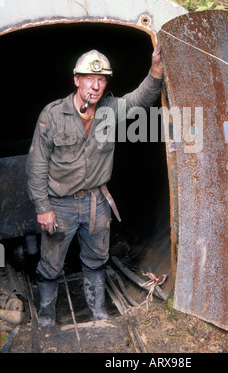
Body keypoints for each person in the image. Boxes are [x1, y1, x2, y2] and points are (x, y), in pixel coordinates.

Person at [26, 44, 162, 327]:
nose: (96, 85)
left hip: (96, 203)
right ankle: (47, 313)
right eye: (89, 78)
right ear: (76, 80)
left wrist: (156, 71)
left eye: (101, 80)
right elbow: (36, 165)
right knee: (51, 264)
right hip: (59, 204)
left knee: (96, 259)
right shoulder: (52, 115)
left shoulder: (110, 110)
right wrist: (43, 208)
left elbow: (140, 101)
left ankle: (98, 312)